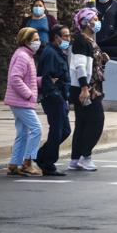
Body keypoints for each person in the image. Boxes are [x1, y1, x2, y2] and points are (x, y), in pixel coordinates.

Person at [68, 8, 109, 171]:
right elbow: (79, 66)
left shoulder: (89, 39)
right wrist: (84, 88)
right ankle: (85, 156)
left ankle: (75, 159)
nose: (97, 21)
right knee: (96, 122)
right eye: (94, 19)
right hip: (88, 90)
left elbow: (91, 64)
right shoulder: (81, 41)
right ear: (86, 22)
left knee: (83, 123)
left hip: (92, 87)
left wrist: (103, 59)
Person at [5, 27, 43, 176]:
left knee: (22, 132)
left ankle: (14, 164)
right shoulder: (23, 56)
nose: (38, 42)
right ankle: (27, 162)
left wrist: (42, 81)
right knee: (37, 129)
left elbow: (28, 78)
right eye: (35, 40)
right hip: (21, 100)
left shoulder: (26, 54)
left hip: (18, 100)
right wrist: (28, 95)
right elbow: (15, 78)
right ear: (26, 41)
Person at [35, 25, 72, 176]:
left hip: (60, 97)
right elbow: (47, 78)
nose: (68, 39)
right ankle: (48, 164)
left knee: (65, 130)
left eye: (69, 36)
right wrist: (55, 95)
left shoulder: (58, 52)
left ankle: (42, 157)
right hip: (53, 98)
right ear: (56, 37)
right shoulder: (50, 53)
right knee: (57, 131)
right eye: (65, 36)